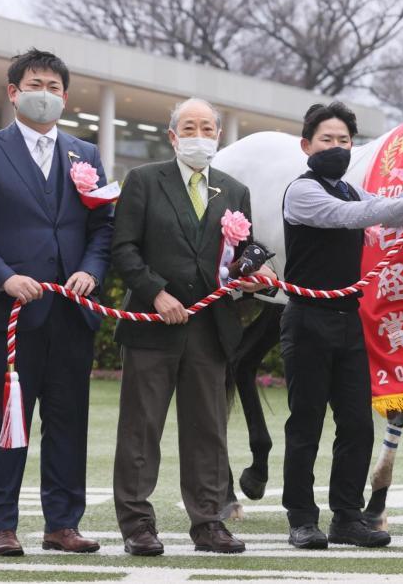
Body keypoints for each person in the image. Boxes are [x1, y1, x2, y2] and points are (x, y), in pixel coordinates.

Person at [0, 49, 113, 556]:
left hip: (71, 312)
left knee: (68, 421)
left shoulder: (84, 153)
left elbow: (102, 226)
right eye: (35, 84)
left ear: (65, 96)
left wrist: (90, 269)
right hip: (12, 317)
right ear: (13, 92)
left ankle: (62, 524)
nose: (45, 94)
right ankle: (2, 525)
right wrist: (4, 278)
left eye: (54, 86)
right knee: (8, 421)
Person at [110, 97, 276, 556]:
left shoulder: (233, 190)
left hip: (211, 329)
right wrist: (156, 292)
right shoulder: (144, 181)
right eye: (189, 127)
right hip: (152, 326)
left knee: (208, 430)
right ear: (172, 135)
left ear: (219, 136)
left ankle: (208, 521)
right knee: (141, 429)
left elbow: (237, 255)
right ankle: (138, 524)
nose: (198, 135)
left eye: (207, 127)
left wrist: (254, 273)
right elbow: (123, 249)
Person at [281, 102, 403, 549]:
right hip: (307, 320)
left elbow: (388, 211)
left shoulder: (353, 190)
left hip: (347, 320)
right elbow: (348, 218)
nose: (336, 147)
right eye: (326, 140)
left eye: (344, 141)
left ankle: (347, 517)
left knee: (357, 424)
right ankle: (301, 518)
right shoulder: (302, 192)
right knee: (306, 424)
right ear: (306, 145)